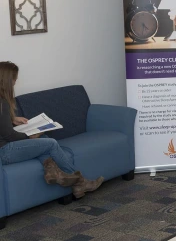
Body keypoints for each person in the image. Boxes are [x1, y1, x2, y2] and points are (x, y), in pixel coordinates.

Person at [0, 61, 104, 199]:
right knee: (51, 143)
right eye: (14, 79)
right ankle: (80, 182)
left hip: (7, 147)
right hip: (6, 151)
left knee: (44, 139)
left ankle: (52, 172)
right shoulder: (2, 102)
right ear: (7, 80)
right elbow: (8, 134)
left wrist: (12, 119)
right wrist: (29, 136)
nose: (15, 82)